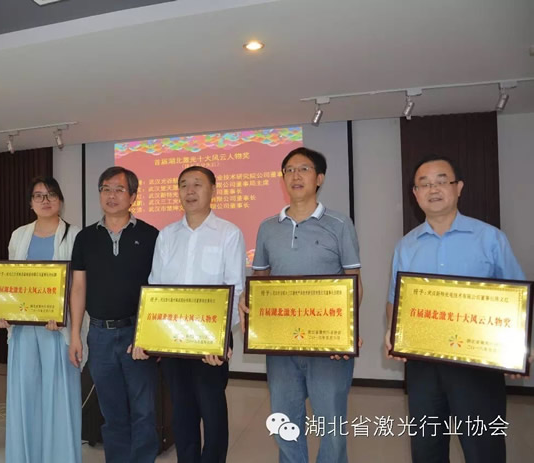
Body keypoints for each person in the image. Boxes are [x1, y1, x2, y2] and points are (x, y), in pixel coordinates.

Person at [384, 155, 529, 463]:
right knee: (426, 448)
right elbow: (395, 299)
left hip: (478, 364)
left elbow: (516, 298)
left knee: (484, 448)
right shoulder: (406, 246)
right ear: (415, 194)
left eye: (441, 181)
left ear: (458, 187)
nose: (433, 189)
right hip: (423, 365)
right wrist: (393, 333)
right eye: (424, 184)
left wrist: (519, 347)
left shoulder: (490, 238)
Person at [238, 147, 363, 463]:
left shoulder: (339, 223)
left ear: (319, 178)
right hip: (281, 343)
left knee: (330, 424)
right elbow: (261, 280)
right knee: (284, 422)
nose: (295, 175)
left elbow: (353, 282)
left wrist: (348, 332)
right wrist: (247, 300)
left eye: (304, 169)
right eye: (289, 170)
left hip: (327, 343)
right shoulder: (268, 227)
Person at [139, 165, 245, 463]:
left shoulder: (229, 233)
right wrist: (151, 337)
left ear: (213, 190)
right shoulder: (167, 235)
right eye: (184, 184)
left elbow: (235, 288)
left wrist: (220, 340)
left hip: (210, 341)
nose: (190, 191)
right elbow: (156, 287)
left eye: (198, 184)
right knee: (182, 412)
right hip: (173, 340)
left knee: (213, 413)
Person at [68, 166, 160, 463]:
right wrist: (75, 336)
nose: (112, 195)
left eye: (119, 189)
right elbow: (78, 287)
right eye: (106, 189)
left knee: (143, 410)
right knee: (112, 411)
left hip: (137, 335)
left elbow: (158, 289)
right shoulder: (85, 237)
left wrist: (150, 335)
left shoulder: (150, 235)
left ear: (133, 196)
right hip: (99, 335)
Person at [0, 176, 83, 463]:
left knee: (59, 397)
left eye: (51, 194)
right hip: (23, 331)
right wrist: (4, 312)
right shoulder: (19, 235)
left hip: (58, 330)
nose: (45, 201)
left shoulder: (75, 235)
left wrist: (72, 329)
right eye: (38, 195)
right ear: (30, 203)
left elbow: (78, 287)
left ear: (61, 200)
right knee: (25, 397)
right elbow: (11, 281)